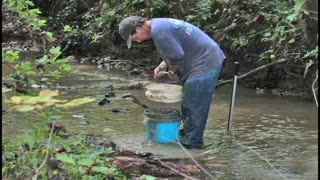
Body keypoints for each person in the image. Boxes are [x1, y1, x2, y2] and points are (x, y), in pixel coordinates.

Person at [119, 16, 226, 149]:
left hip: (205, 63)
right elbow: (175, 49)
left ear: (138, 28)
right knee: (190, 104)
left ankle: (193, 147)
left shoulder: (160, 32)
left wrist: (171, 73)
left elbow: (176, 57)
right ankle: (188, 137)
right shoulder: (160, 25)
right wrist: (163, 65)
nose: (138, 41)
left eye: (135, 38)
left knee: (194, 106)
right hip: (206, 57)